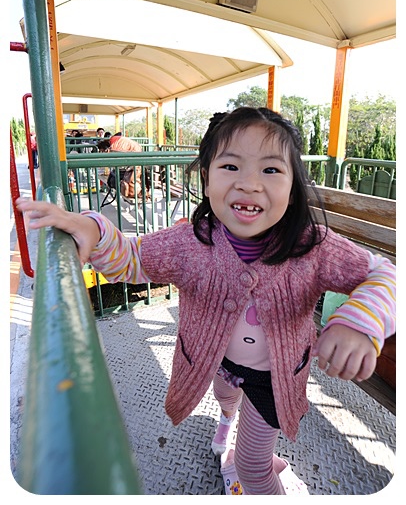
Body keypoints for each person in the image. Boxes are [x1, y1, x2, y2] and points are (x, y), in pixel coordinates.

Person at [16, 107, 396, 495]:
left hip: (277, 378)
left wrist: (359, 322)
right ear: (207, 179)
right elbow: (133, 260)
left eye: (270, 170)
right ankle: (228, 420)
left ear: (293, 186)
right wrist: (94, 230)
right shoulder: (191, 242)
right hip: (214, 360)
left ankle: (250, 454)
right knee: (224, 394)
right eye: (231, 166)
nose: (249, 184)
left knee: (252, 466)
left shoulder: (312, 246)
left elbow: (385, 274)